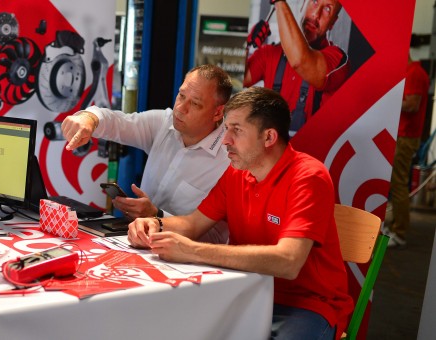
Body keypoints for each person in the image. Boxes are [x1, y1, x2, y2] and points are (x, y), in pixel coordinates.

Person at [128, 87, 353, 338]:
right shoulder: (237, 173)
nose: (225, 140)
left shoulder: (309, 177)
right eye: (226, 129)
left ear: (268, 138)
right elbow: (193, 224)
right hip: (245, 288)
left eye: (236, 130)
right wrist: (155, 225)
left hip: (304, 304)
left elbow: (289, 262)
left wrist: (192, 251)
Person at [61, 64, 232, 244]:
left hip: (188, 263)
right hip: (137, 245)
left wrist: (157, 217)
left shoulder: (228, 159)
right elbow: (119, 122)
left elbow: (217, 238)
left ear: (218, 112)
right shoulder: (164, 123)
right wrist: (89, 119)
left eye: (195, 103)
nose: (181, 108)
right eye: (181, 95)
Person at [244, 0, 348, 136]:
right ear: (304, 4)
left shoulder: (337, 59)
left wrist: (279, 2)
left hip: (308, 153)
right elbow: (237, 80)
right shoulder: (270, 53)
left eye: (327, 9)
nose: (316, 15)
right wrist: (245, 45)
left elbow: (300, 60)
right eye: (314, 2)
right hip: (270, 152)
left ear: (333, 22)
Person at [386, 53, 430, 248]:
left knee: (399, 183)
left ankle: (400, 232)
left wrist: (387, 101)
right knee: (397, 183)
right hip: (403, 135)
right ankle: (395, 225)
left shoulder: (414, 73)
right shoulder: (411, 72)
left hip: (406, 136)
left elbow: (412, 105)